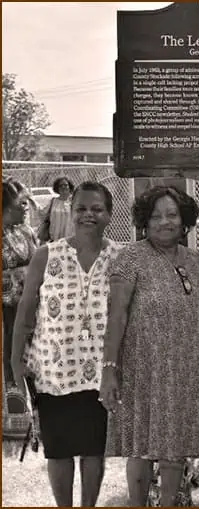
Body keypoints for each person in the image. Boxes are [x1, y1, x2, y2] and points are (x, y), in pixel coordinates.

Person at [100, 186, 199, 507]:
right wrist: (109, 369)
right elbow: (116, 316)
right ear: (143, 221)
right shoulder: (130, 257)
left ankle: (168, 504)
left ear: (184, 221)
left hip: (188, 372)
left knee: (176, 448)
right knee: (141, 447)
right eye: (155, 216)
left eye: (171, 215)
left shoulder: (197, 260)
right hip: (144, 371)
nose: (164, 222)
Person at [11, 181, 121, 507]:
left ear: (109, 214)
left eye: (97, 209)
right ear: (70, 212)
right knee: (58, 450)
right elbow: (26, 313)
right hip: (53, 370)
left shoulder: (120, 258)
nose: (89, 215)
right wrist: (16, 361)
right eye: (82, 209)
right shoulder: (46, 255)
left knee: (93, 449)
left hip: (101, 371)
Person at [2, 179, 38, 389]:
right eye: (21, 204)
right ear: (7, 207)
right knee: (11, 363)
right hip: (8, 315)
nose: (26, 208)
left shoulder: (26, 231)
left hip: (32, 310)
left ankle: (34, 410)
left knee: (34, 360)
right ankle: (16, 409)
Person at [39, 177, 75, 243]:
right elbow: (42, 213)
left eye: (65, 185)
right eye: (60, 185)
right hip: (55, 240)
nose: (63, 187)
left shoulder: (74, 202)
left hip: (70, 241)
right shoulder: (53, 201)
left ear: (69, 187)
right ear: (57, 188)